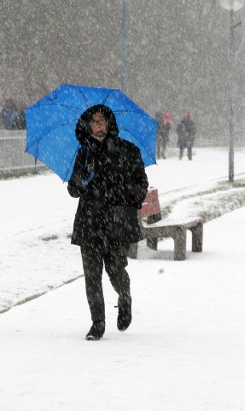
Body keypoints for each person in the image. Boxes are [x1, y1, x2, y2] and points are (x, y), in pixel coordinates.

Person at [67, 104, 149, 340]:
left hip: (116, 223)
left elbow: (141, 185)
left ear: (110, 124)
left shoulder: (128, 151)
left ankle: (125, 297)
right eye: (94, 122)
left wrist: (126, 192)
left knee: (115, 270)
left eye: (102, 121)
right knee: (92, 275)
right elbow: (73, 189)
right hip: (89, 222)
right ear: (88, 125)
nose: (99, 126)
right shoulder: (84, 154)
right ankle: (97, 323)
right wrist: (79, 183)